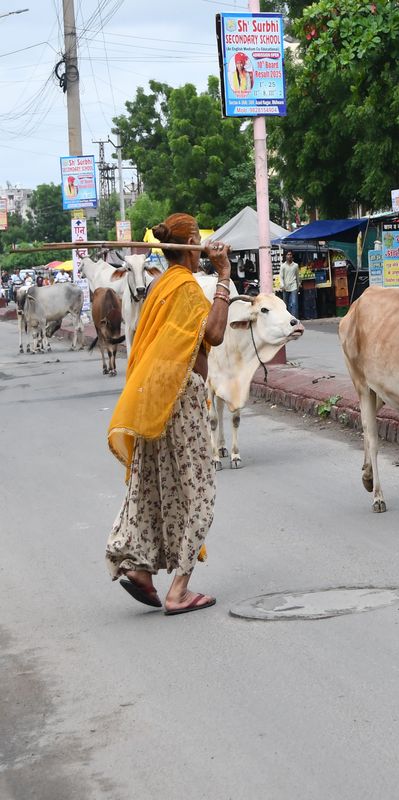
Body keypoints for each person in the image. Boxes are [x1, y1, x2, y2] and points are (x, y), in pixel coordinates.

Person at [105, 213, 232, 615]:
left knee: (156, 485)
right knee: (199, 492)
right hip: (181, 395)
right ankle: (179, 589)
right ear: (190, 245)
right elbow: (213, 334)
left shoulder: (160, 285)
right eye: (199, 238)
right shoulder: (186, 288)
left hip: (156, 395)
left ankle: (140, 570)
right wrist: (224, 278)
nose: (203, 245)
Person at [280, 250, 300, 317]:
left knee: (294, 303)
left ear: (292, 256)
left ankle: (294, 318)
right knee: (286, 304)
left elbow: (297, 276)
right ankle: (287, 317)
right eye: (288, 254)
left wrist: (298, 285)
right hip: (285, 287)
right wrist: (282, 285)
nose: (289, 256)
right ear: (285, 256)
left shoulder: (295, 265)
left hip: (293, 286)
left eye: (290, 254)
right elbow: (281, 277)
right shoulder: (283, 266)